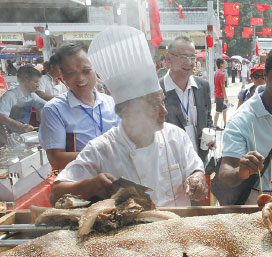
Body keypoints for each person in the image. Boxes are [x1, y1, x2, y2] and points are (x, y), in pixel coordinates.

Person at [49, 25, 207, 207]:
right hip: (131, 233)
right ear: (127, 112)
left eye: (162, 102)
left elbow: (195, 168)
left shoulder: (175, 136)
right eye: (153, 107)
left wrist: (197, 178)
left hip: (178, 228)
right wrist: (89, 186)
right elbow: (55, 194)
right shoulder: (102, 149)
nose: (164, 112)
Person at [218, 45, 272, 205]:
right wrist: (240, 172)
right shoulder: (241, 120)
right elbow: (224, 173)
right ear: (266, 75)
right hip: (249, 198)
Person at [38, 42, 120, 170]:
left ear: (95, 69)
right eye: (71, 73)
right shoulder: (54, 110)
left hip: (118, 176)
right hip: (80, 184)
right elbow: (56, 159)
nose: (80, 78)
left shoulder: (112, 104)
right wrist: (104, 156)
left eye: (86, 71)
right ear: (63, 75)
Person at [159, 36, 214, 164]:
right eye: (183, 57)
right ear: (168, 58)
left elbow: (208, 119)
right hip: (171, 165)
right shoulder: (157, 91)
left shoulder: (202, 86)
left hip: (200, 162)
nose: (189, 62)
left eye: (192, 58)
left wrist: (211, 134)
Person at [0, 65, 45, 133]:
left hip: (21, 136)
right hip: (6, 137)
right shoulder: (10, 96)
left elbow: (47, 106)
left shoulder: (32, 96)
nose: (38, 85)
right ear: (24, 80)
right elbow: (2, 117)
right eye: (35, 82)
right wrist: (21, 126)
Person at [213, 58, 228, 130]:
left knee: (224, 109)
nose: (226, 64)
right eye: (224, 63)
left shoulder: (216, 72)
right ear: (221, 64)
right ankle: (215, 126)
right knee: (218, 111)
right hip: (220, 95)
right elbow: (223, 86)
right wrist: (226, 97)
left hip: (217, 93)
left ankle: (225, 124)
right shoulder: (222, 74)